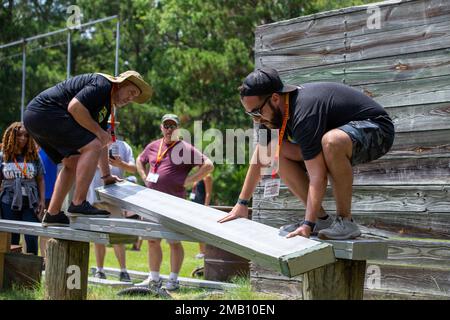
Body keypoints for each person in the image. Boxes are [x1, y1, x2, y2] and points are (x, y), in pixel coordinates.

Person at [219, 68, 395, 240]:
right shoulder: (270, 114)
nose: (257, 120)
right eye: (250, 114)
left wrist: (306, 225)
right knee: (275, 152)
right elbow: (261, 155)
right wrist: (241, 204)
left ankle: (345, 222)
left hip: (377, 129)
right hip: (336, 138)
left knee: (331, 142)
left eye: (257, 112)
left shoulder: (304, 112)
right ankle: (322, 220)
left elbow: (317, 176)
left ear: (274, 98)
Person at [23, 71, 152, 226]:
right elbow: (75, 107)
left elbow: (102, 141)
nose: (130, 99)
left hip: (36, 117)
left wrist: (106, 176)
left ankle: (53, 213)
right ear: (120, 84)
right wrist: (98, 133)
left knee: (72, 162)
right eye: (130, 92)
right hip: (45, 112)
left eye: (134, 97)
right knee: (93, 145)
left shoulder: (106, 105)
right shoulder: (102, 84)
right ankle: (78, 203)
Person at [136, 114, 214, 291]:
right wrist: (143, 176)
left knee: (173, 242)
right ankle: (153, 278)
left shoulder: (184, 148)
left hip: (173, 203)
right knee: (152, 240)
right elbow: (139, 160)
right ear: (161, 127)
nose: (169, 129)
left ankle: (173, 280)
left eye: (173, 126)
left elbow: (208, 165)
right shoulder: (154, 145)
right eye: (166, 125)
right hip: (150, 201)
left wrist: (190, 180)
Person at [87, 119, 136, 282]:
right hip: (96, 197)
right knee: (98, 237)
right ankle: (99, 270)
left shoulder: (124, 146)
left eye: (112, 126)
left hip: (116, 197)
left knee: (117, 236)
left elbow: (135, 169)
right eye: (106, 126)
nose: (109, 129)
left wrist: (120, 163)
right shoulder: (92, 144)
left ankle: (123, 271)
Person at [0, 122, 46, 255]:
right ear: (11, 136)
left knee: (31, 238)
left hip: (31, 203)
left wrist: (42, 200)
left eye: (26, 135)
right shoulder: (3, 156)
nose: (23, 138)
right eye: (19, 135)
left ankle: (31, 273)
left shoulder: (33, 157)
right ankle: (9, 273)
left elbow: (40, 179)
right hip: (8, 202)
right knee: (11, 240)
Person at [38, 147, 58, 266]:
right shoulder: (30, 150)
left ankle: (45, 260)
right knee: (32, 228)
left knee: (46, 229)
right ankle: (32, 257)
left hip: (52, 195)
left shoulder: (52, 147)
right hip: (35, 194)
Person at [189, 174, 213, 259]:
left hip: (202, 206)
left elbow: (208, 193)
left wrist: (205, 207)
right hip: (195, 206)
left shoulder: (207, 176)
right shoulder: (197, 176)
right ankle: (202, 251)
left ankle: (205, 252)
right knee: (197, 229)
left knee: (203, 229)